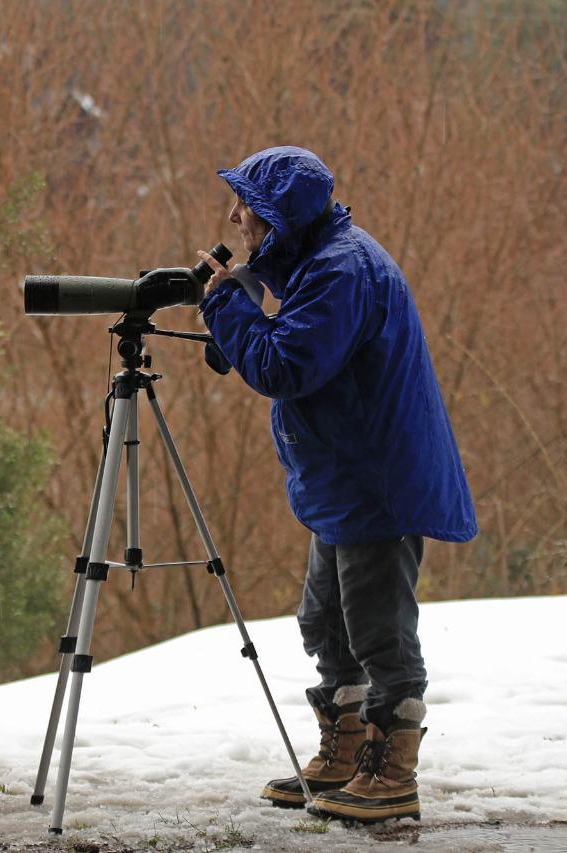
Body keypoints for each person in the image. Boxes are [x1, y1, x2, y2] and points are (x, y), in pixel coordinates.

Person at [195, 146, 477, 823]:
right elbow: (287, 338)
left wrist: (230, 308)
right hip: (344, 478)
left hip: (376, 482)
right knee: (323, 619)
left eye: (249, 207)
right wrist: (228, 316)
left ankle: (391, 770)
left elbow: (286, 365)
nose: (235, 215)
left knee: (380, 631)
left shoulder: (341, 273)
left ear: (283, 216)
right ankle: (348, 750)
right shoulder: (317, 263)